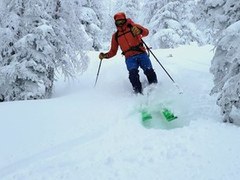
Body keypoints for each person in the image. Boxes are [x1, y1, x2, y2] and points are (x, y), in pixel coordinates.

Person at [99, 12, 158, 94]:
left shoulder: (134, 27)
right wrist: (105, 56)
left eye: (122, 21)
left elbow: (146, 32)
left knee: (149, 71)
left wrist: (140, 31)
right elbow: (113, 51)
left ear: (125, 20)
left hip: (141, 54)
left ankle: (155, 89)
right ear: (115, 23)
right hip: (130, 58)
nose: (120, 24)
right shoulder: (116, 36)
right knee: (133, 75)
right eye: (118, 22)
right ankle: (138, 93)